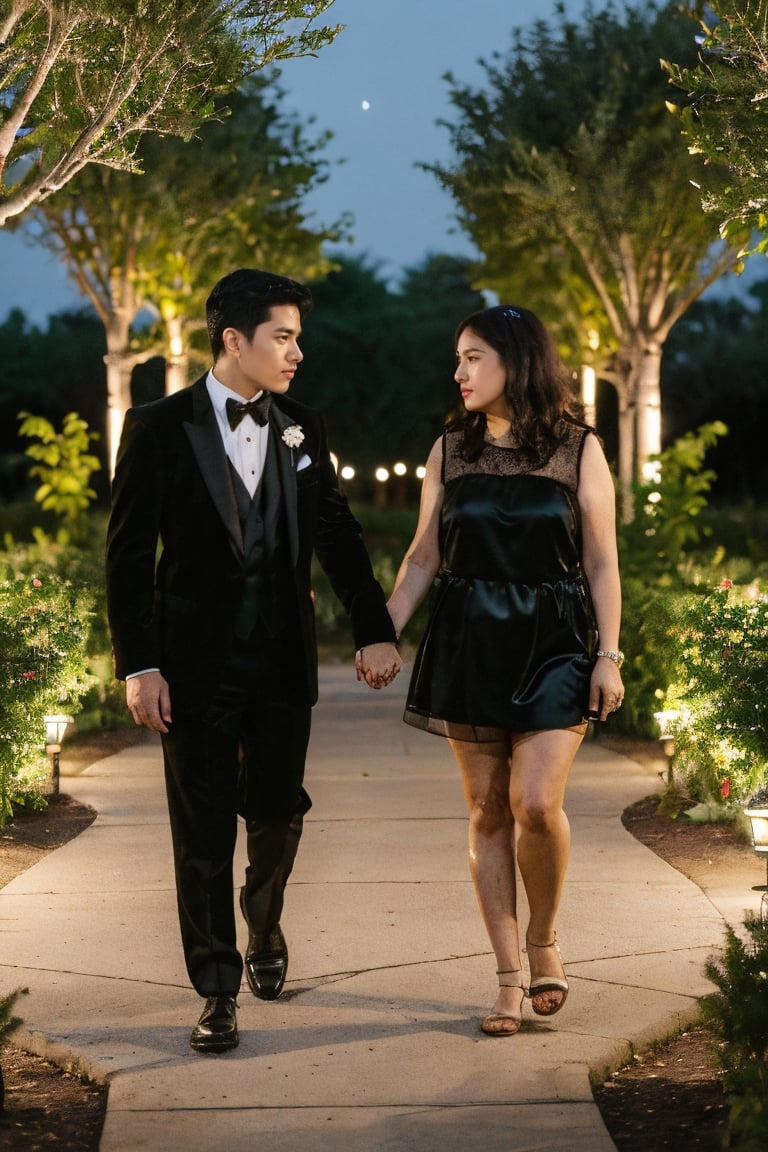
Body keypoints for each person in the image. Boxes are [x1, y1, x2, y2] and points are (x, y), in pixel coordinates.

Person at [106, 268, 401, 1054]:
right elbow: (128, 558)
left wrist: (374, 627)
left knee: (276, 812)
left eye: (298, 337)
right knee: (200, 830)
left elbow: (336, 533)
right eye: (283, 335)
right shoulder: (158, 427)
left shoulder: (304, 426)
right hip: (190, 664)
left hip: (280, 662)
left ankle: (263, 920)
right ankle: (215, 988)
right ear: (233, 339)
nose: (296, 351)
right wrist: (140, 665)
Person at [384, 304, 623, 1036]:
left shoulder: (578, 448)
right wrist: (382, 634)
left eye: (472, 357)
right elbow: (425, 555)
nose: (458, 372)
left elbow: (601, 559)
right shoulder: (449, 451)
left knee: (534, 804)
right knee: (487, 808)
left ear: (516, 362)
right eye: (457, 358)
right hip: (468, 639)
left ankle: (544, 937)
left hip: (554, 641)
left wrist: (608, 654)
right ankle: (508, 979)